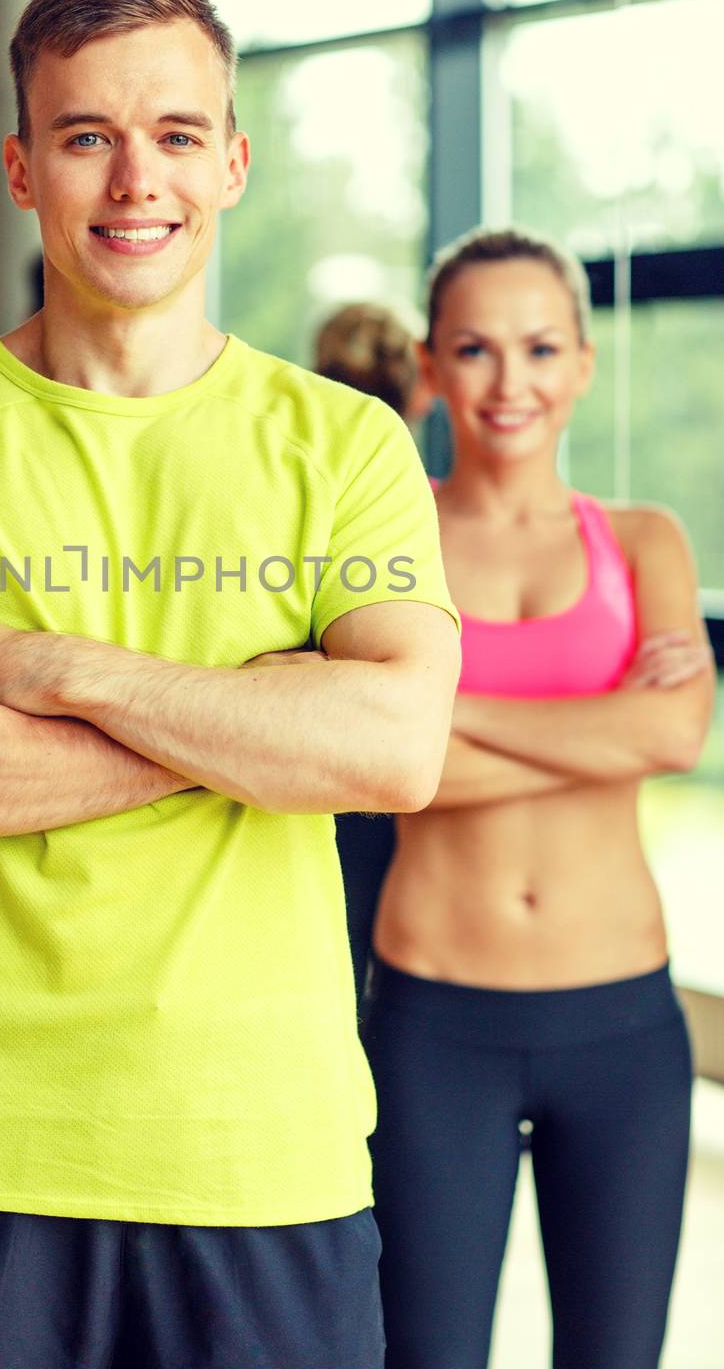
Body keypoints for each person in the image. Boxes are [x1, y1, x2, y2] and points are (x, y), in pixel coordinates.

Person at [0, 0, 462, 1369]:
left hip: (265, 1157)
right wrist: (256, 722)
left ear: (233, 162)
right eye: (87, 136)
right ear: (25, 168)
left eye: (173, 135)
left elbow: (391, 752)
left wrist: (60, 670)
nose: (132, 179)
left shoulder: (344, 447)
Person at [362, 226, 716, 1369]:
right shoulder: (382, 536)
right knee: (425, 1353)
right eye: (473, 348)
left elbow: (674, 728)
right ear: (428, 366)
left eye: (539, 347)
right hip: (431, 1024)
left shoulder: (643, 538)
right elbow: (373, 765)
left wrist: (445, 709)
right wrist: (595, 732)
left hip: (619, 1023)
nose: (508, 381)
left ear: (581, 365)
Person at [314, 301, 435, 997]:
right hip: (370, 777)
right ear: (422, 384)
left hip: (329, 763)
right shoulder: (412, 501)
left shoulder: (302, 479)